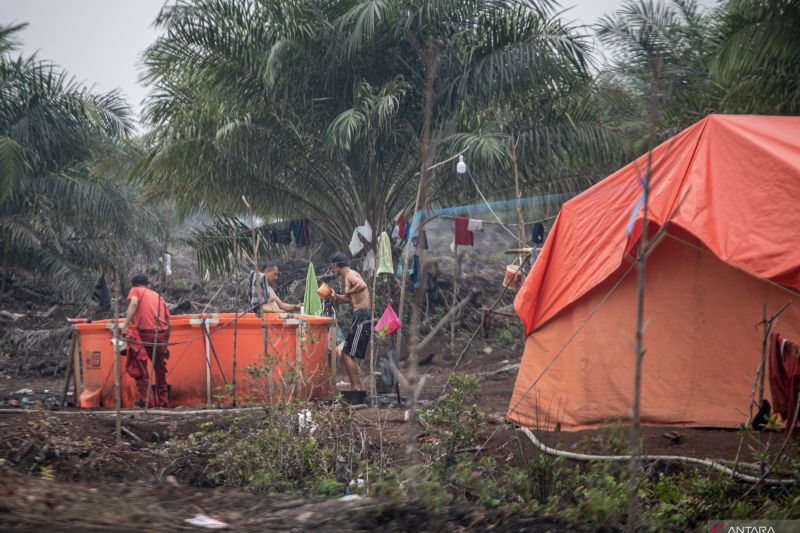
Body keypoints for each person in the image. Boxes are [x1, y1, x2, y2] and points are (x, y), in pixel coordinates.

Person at [121, 275, 171, 408]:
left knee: (140, 368)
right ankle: (163, 401)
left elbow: (134, 303)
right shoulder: (159, 296)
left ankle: (147, 401)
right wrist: (165, 344)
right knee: (160, 370)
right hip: (160, 335)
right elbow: (169, 323)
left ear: (135, 285)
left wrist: (125, 325)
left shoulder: (136, 290)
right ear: (147, 284)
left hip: (144, 334)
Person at [330, 252, 370, 391]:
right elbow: (351, 299)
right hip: (359, 315)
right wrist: (336, 297)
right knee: (347, 353)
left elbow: (362, 285)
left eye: (332, 267)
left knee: (346, 353)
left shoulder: (350, 275)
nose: (332, 270)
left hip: (362, 315)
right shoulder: (349, 276)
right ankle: (357, 386)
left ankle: (356, 388)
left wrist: (348, 293)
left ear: (336, 265)